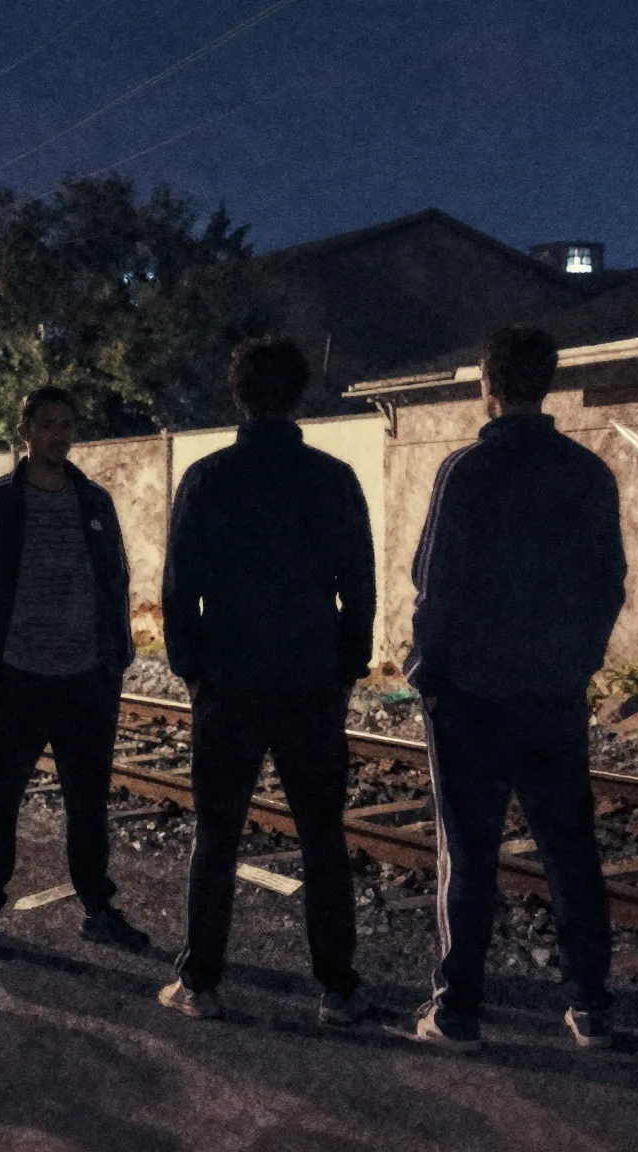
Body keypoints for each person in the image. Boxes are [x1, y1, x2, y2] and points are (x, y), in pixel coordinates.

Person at [388, 328, 627, 1053]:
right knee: (570, 850)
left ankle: (457, 1009)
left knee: (468, 850)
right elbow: (608, 585)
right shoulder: (589, 473)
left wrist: (427, 671)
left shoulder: (466, 471)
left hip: (472, 697)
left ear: (488, 384)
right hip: (553, 694)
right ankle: (590, 1007)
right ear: (547, 382)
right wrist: (579, 663)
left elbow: (434, 582)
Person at [156, 337, 379, 1025]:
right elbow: (359, 587)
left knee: (217, 833)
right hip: (310, 678)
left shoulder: (207, 478)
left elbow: (178, 590)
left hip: (229, 678)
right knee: (322, 834)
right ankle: (338, 987)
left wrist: (192, 670)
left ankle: (201, 981)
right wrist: (346, 668)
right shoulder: (334, 478)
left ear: (238, 395)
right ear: (300, 395)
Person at [0, 386, 147, 957]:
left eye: (66, 424)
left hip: (86, 679)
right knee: (0, 802)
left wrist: (117, 658)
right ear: (26, 431)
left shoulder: (94, 500)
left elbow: (117, 579)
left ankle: (98, 909)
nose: (58, 434)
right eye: (47, 424)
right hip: (18, 678)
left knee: (88, 803)